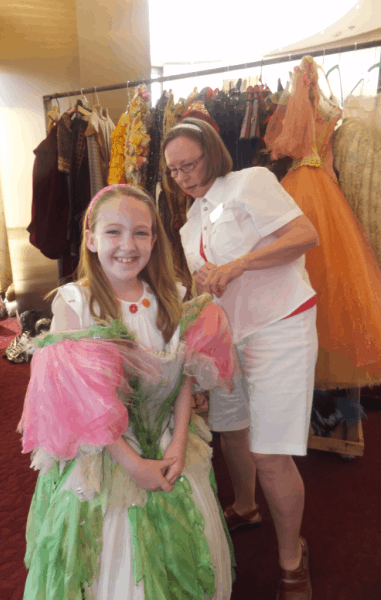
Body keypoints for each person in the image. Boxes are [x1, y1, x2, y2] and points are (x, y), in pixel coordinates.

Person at [18, 183, 238, 600]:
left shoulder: (172, 297)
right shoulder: (75, 304)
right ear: (90, 238)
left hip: (169, 444)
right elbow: (84, 407)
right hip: (108, 457)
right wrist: (135, 464)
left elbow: (183, 375)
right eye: (113, 232)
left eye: (140, 232)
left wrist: (176, 444)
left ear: (155, 239)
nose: (127, 245)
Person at [163, 118, 319, 600]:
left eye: (189, 163)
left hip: (279, 325)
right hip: (230, 336)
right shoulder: (189, 226)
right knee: (232, 429)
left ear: (211, 151)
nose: (184, 176)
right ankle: (246, 507)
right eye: (173, 171)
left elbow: (305, 235)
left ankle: (292, 558)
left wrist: (239, 264)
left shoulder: (252, 182)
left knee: (268, 453)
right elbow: (204, 288)